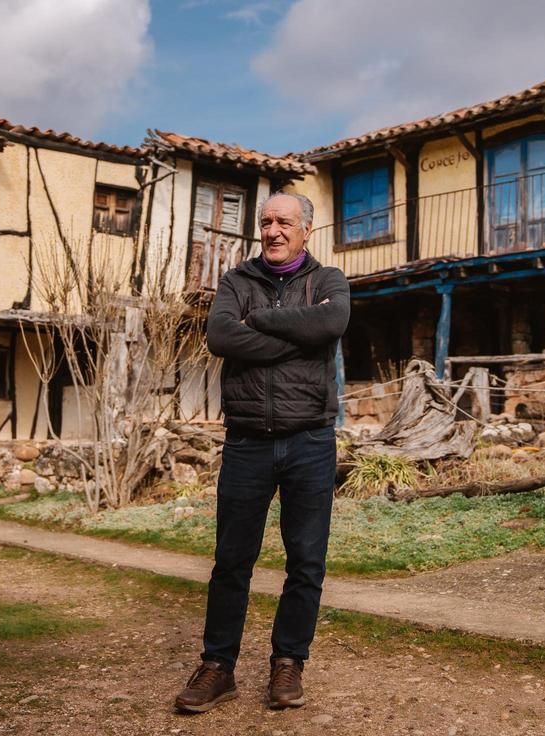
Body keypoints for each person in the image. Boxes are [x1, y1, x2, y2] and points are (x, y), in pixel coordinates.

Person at [174, 192, 349, 713]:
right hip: (248, 441)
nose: (273, 231)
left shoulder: (329, 281)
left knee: (306, 561)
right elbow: (220, 336)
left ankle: (288, 664)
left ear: (306, 231)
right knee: (231, 561)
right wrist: (301, 330)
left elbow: (332, 323)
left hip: (310, 442)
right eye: (266, 221)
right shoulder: (236, 282)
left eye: (284, 222)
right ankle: (218, 667)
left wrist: (263, 322)